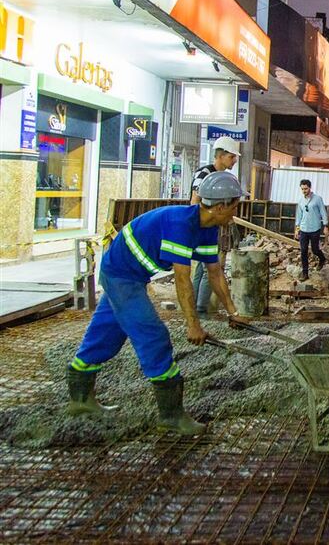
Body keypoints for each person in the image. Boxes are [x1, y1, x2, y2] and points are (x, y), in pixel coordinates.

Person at [67, 171, 247, 436]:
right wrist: (193, 325)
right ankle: (171, 416)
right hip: (120, 274)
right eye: (233, 206)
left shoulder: (208, 229)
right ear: (219, 206)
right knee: (153, 334)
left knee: (106, 335)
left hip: (130, 275)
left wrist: (234, 312)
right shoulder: (181, 224)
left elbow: (215, 273)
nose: (234, 212)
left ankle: (80, 399)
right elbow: (183, 280)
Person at [189, 135, 241, 319]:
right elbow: (195, 200)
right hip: (206, 226)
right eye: (231, 157)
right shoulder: (204, 174)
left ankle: (195, 306)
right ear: (220, 155)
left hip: (215, 226)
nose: (234, 160)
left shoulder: (224, 177)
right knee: (209, 268)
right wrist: (197, 227)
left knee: (202, 269)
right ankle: (200, 309)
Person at [294, 179, 329, 281]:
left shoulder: (317, 199)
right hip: (304, 229)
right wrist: (297, 228)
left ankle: (322, 259)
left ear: (310, 188)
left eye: (305, 189)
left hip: (315, 229)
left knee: (315, 249)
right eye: (302, 189)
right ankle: (305, 273)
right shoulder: (300, 201)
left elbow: (323, 212)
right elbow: (299, 215)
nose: (304, 191)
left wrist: (326, 225)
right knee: (303, 250)